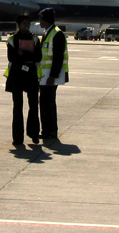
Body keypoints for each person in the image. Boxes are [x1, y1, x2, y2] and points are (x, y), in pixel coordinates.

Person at [4, 14, 42, 146]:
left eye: (28, 23)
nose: (26, 25)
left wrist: (22, 53)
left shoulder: (36, 39)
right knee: (17, 107)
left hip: (31, 75)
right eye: (24, 23)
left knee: (33, 106)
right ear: (18, 24)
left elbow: (38, 57)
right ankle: (17, 138)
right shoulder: (12, 39)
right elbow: (12, 58)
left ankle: (34, 134)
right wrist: (27, 55)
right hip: (17, 76)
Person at [37, 8, 69, 144]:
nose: (39, 22)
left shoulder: (56, 34)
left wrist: (53, 76)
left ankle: (50, 131)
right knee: (45, 103)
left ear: (45, 19)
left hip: (50, 76)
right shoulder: (48, 33)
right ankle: (47, 130)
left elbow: (58, 57)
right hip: (45, 76)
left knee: (48, 104)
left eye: (40, 19)